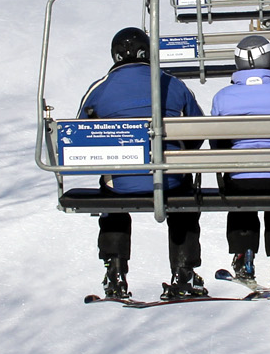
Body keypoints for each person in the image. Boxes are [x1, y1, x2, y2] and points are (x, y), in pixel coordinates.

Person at [78, 27, 207, 300]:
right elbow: (198, 129)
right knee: (183, 199)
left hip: (121, 182)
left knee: (110, 195)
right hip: (170, 179)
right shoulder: (172, 84)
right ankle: (183, 272)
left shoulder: (100, 89)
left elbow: (80, 135)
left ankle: (115, 271)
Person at [210, 35, 270, 283]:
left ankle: (243, 255)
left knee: (242, 199)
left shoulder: (223, 97)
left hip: (240, 179)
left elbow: (216, 139)